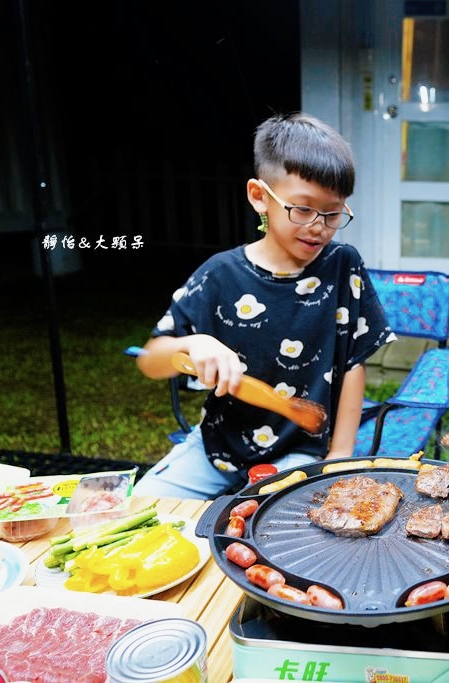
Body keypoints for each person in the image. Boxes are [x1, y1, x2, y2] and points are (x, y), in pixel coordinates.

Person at [133, 112, 393, 499]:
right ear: (259, 197)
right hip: (216, 446)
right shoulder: (219, 274)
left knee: (271, 528)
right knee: (144, 504)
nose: (318, 226)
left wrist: (339, 455)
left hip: (301, 449)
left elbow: (352, 364)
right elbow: (150, 360)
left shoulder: (343, 265)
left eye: (333, 212)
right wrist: (192, 343)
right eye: (302, 209)